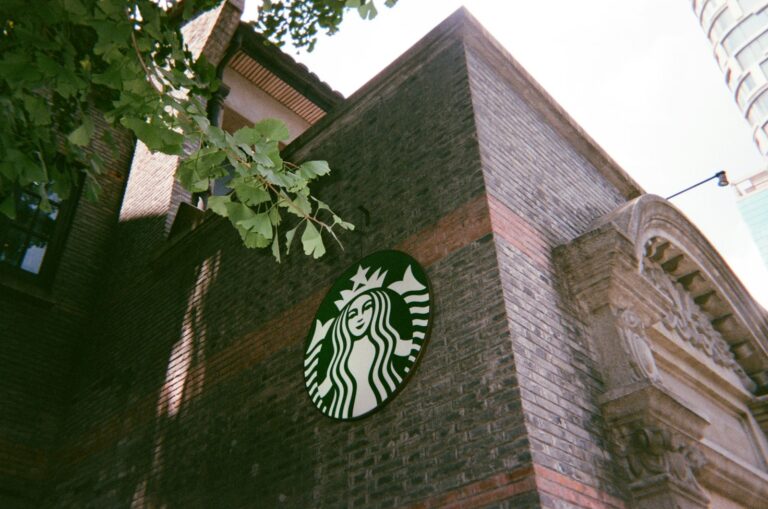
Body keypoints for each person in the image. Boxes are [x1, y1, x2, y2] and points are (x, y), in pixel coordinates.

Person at [316, 289, 414, 419]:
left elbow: (409, 347)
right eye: (352, 314)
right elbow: (322, 390)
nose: (360, 317)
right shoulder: (339, 359)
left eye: (367, 307)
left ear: (378, 310)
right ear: (344, 323)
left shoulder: (388, 341)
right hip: (349, 408)